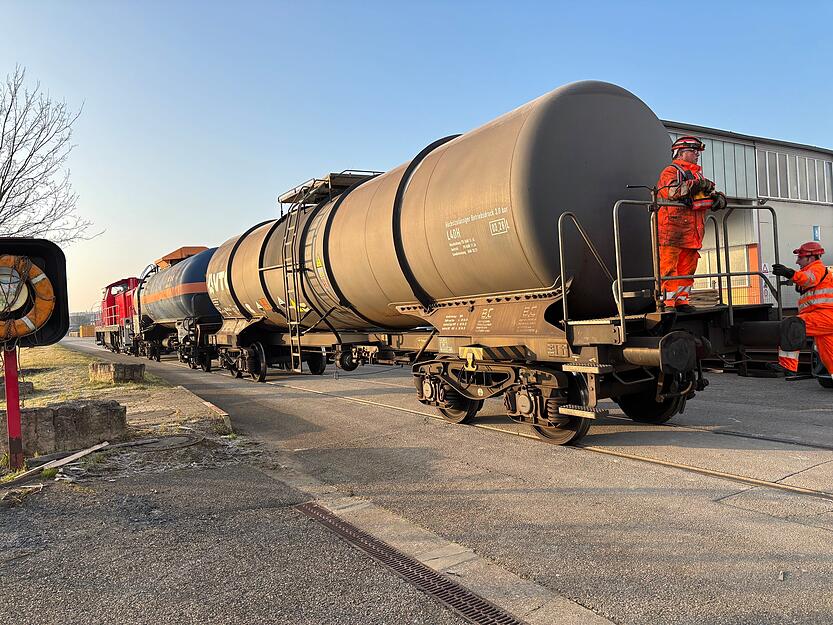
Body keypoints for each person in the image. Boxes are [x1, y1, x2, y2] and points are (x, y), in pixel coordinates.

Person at [656, 136, 727, 313]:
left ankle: (682, 301)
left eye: (698, 151)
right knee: (669, 268)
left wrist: (718, 198)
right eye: (693, 151)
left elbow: (704, 194)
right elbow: (672, 191)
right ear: (681, 152)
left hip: (692, 233)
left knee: (687, 270)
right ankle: (668, 304)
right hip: (672, 232)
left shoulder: (697, 175)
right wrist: (696, 185)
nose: (697, 154)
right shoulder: (671, 172)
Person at [770, 242, 833, 377]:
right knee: (829, 355)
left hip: (825, 315)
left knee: (793, 325)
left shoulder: (817, 269)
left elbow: (808, 279)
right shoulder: (813, 271)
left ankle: (787, 366)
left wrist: (789, 273)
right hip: (824, 317)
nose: (797, 261)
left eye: (800, 257)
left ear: (810, 258)